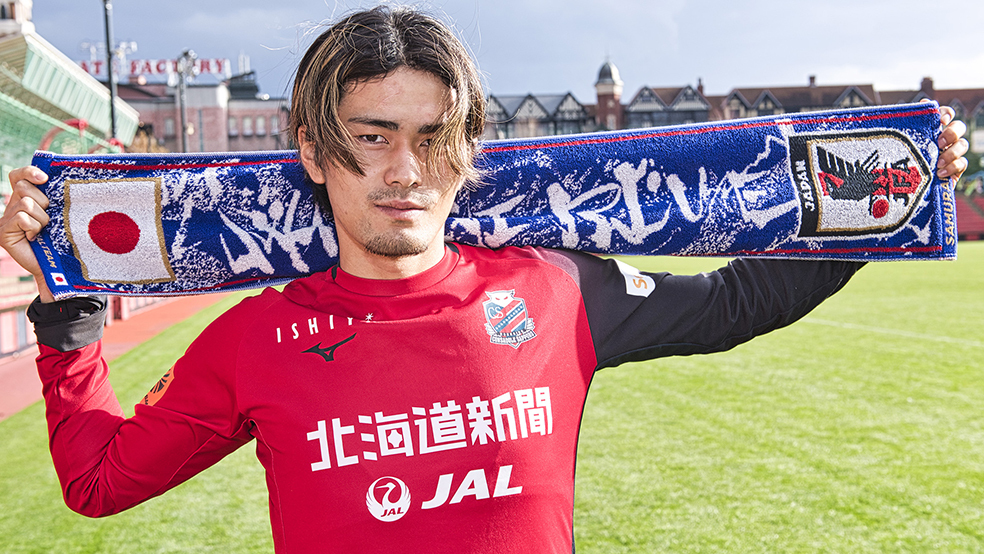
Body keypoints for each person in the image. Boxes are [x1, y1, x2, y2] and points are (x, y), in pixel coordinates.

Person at [0, 6, 970, 553]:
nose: (405, 171)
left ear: (466, 148)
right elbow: (100, 481)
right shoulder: (254, 339)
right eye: (371, 137)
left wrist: (890, 195)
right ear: (313, 150)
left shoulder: (553, 289)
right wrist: (67, 319)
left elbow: (732, 303)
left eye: (433, 138)